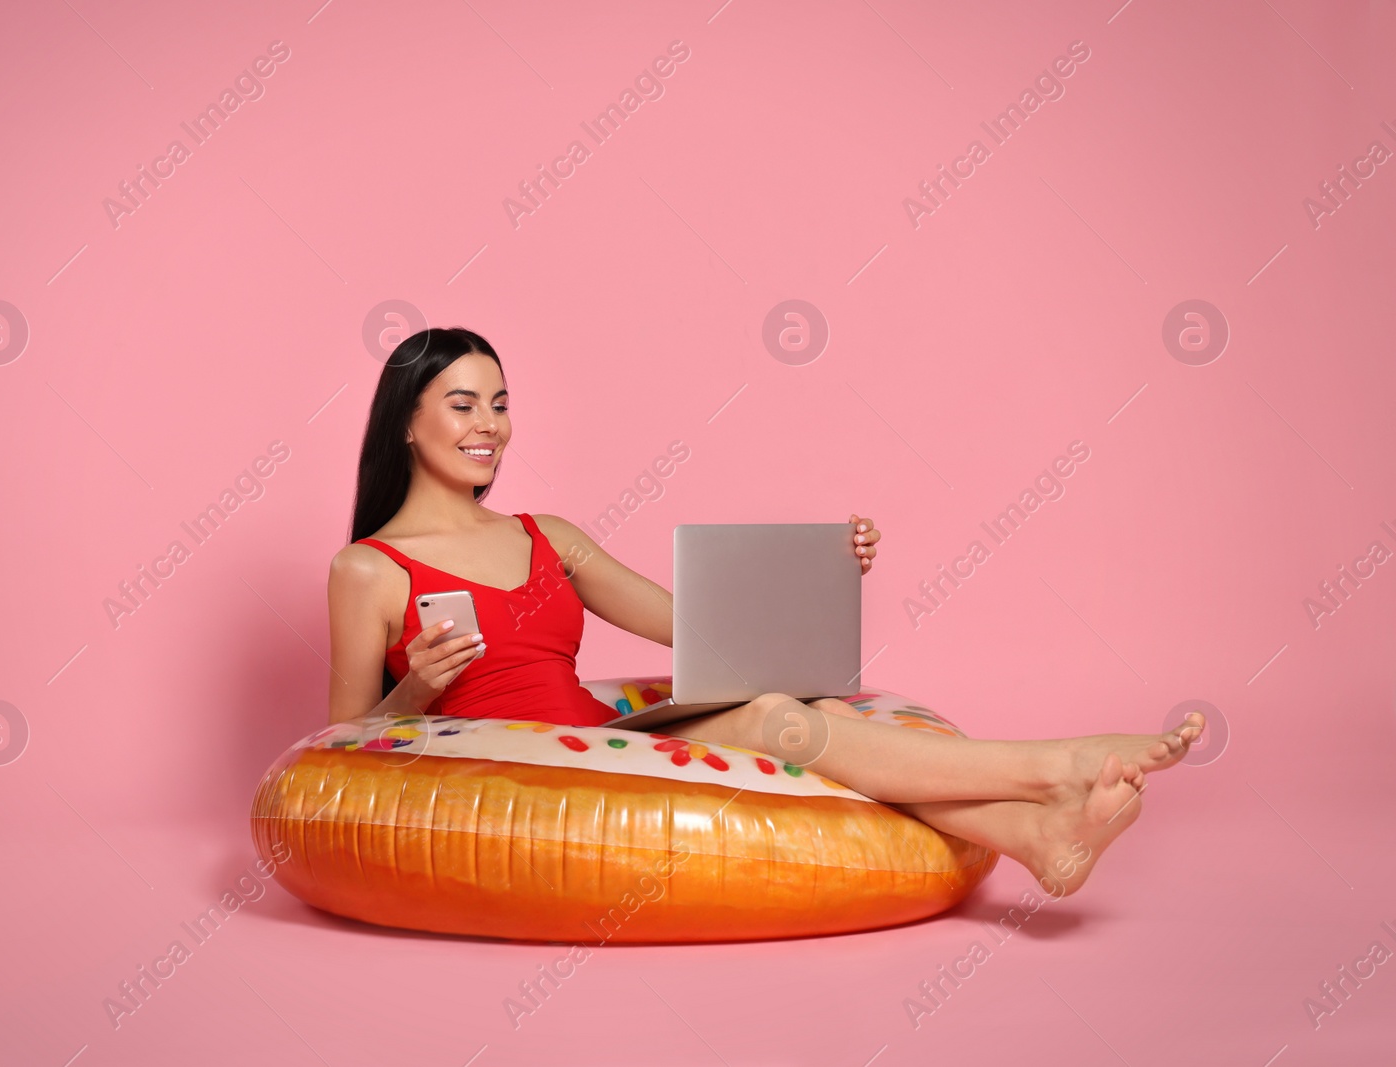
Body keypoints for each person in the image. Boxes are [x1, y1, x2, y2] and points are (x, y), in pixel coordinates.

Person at [328, 327, 1205, 898]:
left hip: (611, 739)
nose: (491, 425)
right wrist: (411, 694)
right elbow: (333, 744)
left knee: (798, 711)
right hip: (534, 774)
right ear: (407, 423)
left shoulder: (548, 535)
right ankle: (1052, 771)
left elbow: (698, 626)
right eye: (463, 404)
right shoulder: (367, 570)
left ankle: (1035, 832)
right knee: (779, 718)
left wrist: (831, 566)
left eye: (503, 402)